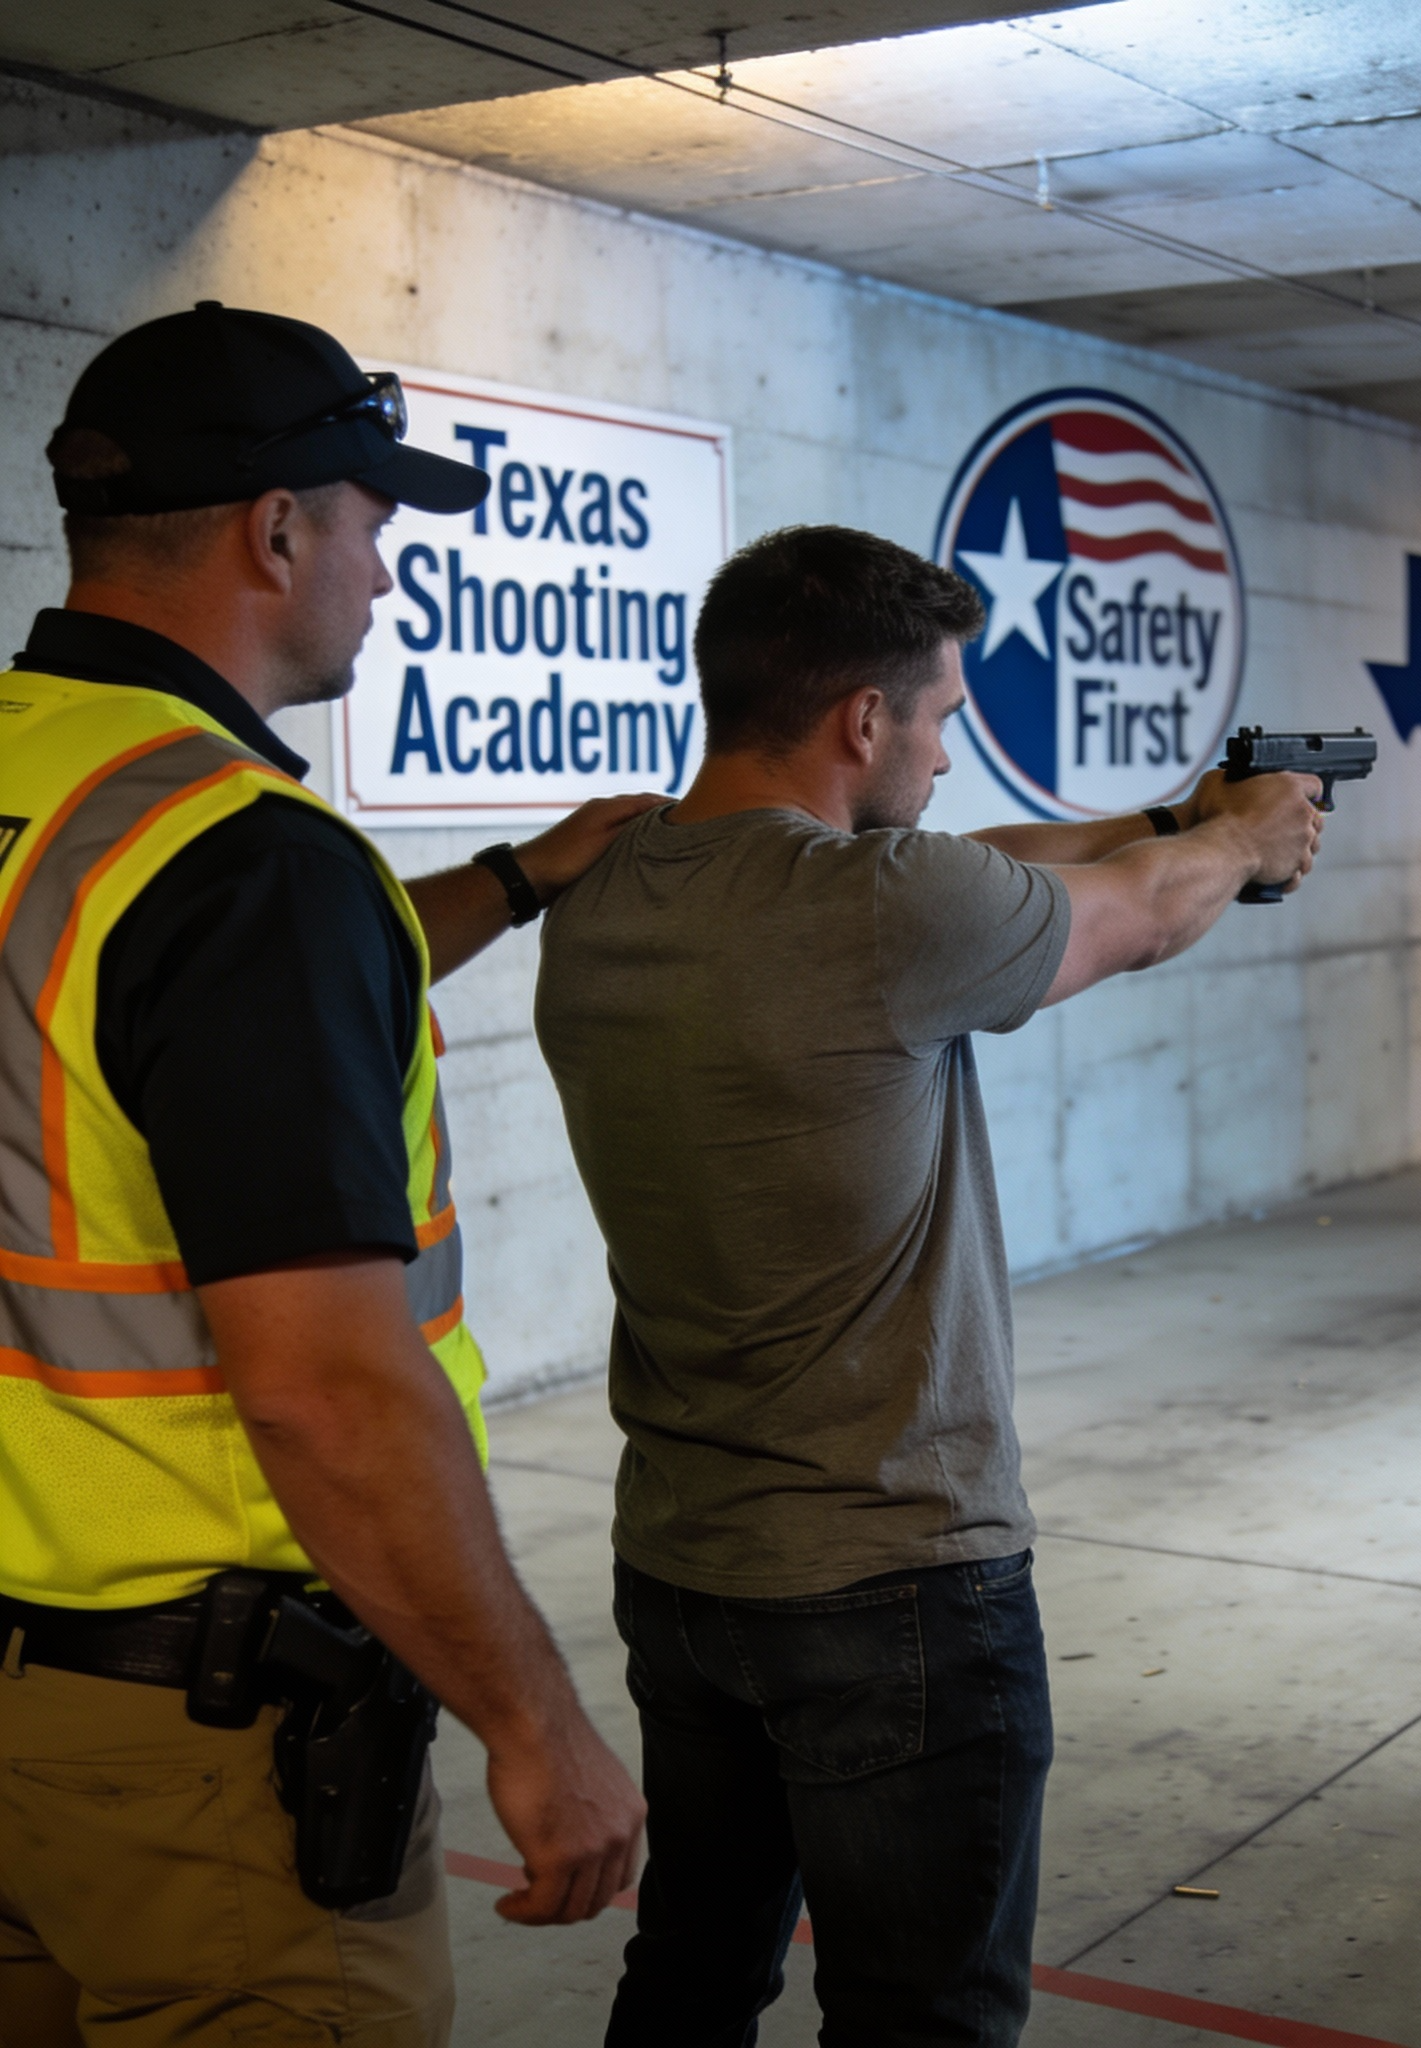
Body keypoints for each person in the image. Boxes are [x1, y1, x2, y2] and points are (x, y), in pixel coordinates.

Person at [533, 524, 1323, 2046]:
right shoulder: (887, 916)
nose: (954, 752)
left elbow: (962, 868)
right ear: (862, 721)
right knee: (927, 2018)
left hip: (687, 1569)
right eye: (946, 717)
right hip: (891, 1580)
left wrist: (1173, 811)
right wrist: (1239, 840)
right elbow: (1142, 910)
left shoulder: (608, 891)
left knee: (692, 1974)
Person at [0, 303, 648, 2045]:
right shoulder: (239, 863)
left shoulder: (55, 795)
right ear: (274, 529)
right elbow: (328, 1394)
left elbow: (165, 1031)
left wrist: (521, 875)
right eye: (372, 525)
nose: (384, 572)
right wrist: (535, 1723)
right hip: (193, 1746)